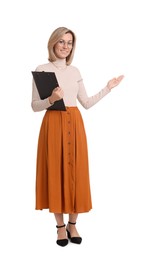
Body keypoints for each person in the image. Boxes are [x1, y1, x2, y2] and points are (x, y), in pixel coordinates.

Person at [31, 26, 124, 247]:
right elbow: (34, 106)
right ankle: (60, 227)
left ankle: (74, 224)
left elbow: (87, 103)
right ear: (53, 43)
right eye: (62, 42)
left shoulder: (75, 71)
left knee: (76, 171)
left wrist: (108, 88)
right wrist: (52, 99)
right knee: (56, 171)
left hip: (75, 123)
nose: (65, 46)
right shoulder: (42, 69)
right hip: (53, 123)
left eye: (70, 42)